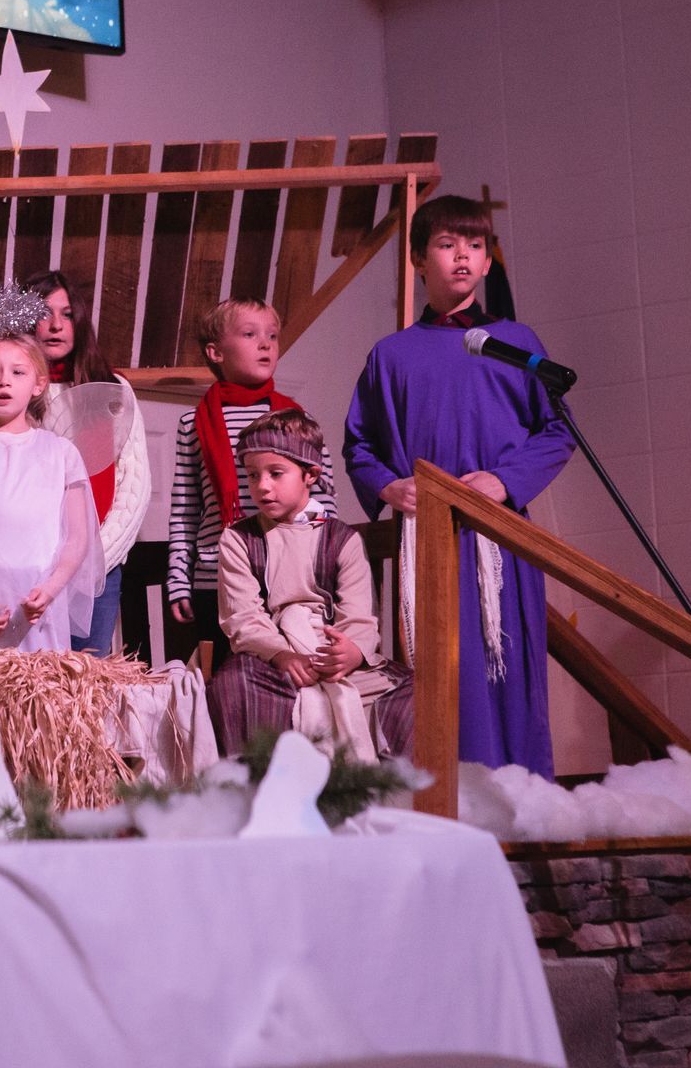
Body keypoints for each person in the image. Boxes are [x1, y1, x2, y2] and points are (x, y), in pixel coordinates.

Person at [343, 194, 573, 777]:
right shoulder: (391, 356)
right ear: (420, 259)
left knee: (510, 670)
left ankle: (523, 801)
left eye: (474, 245)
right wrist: (391, 488)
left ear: (489, 261)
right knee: (447, 675)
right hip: (431, 540)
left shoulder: (516, 344)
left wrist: (504, 479)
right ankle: (451, 800)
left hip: (503, 537)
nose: (462, 257)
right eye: (447, 245)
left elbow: (557, 431)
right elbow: (359, 446)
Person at [211, 409, 412, 760]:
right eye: (253, 475)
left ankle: (384, 799)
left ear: (310, 475)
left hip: (332, 654)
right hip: (271, 660)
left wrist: (350, 652)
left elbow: (360, 615)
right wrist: (281, 655)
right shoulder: (238, 539)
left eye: (276, 474)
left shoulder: (341, 539)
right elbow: (242, 616)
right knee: (233, 685)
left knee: (412, 693)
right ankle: (262, 797)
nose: (262, 486)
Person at [166, 297, 337, 668]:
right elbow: (185, 510)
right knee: (229, 678)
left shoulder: (296, 419)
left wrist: (318, 558)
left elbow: (323, 495)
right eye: (249, 334)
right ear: (216, 352)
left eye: (272, 336)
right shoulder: (193, 424)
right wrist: (179, 578)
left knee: (292, 674)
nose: (265, 344)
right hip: (218, 576)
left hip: (288, 573)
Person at [0, 334, 101, 650]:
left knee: (42, 695)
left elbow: (78, 537)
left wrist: (51, 589)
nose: (4, 382)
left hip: (41, 607)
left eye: (17, 372)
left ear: (38, 385)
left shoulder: (61, 453)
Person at [24, 269, 150, 657]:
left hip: (99, 566)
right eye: (44, 314)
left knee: (87, 682)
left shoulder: (112, 389)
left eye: (67, 314)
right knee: (29, 684)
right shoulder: (7, 386)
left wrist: (92, 561)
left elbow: (135, 484)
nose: (57, 325)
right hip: (29, 568)